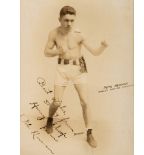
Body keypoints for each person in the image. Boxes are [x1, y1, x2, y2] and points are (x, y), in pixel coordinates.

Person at [44, 6, 108, 148]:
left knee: (85, 102)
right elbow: (46, 52)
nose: (69, 24)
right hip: (62, 69)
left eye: (72, 20)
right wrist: (57, 51)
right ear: (59, 19)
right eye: (66, 20)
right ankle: (49, 119)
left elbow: (94, 52)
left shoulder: (79, 34)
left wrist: (103, 46)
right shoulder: (53, 33)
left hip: (78, 69)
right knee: (57, 102)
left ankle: (89, 132)